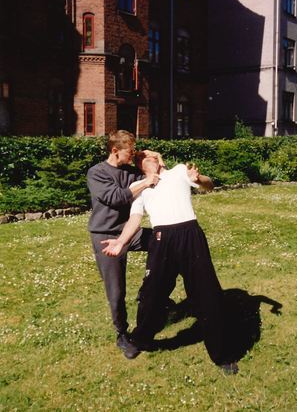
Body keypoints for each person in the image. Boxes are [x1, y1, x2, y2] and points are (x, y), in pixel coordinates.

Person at [101, 154, 238, 374]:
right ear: (140, 166)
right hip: (161, 240)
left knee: (206, 292)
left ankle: (222, 354)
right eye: (141, 156)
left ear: (160, 159)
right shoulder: (139, 185)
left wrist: (199, 178)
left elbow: (209, 186)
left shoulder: (179, 171)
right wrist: (120, 241)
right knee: (151, 294)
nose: (145, 156)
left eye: (150, 154)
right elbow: (135, 219)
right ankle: (140, 339)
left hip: (190, 235)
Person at [86, 130, 163, 359]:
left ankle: (147, 290)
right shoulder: (96, 173)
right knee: (116, 291)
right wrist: (145, 182)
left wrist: (154, 157)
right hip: (105, 236)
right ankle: (122, 334)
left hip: (131, 231)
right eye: (130, 152)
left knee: (164, 241)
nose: (132, 156)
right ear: (114, 150)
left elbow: (158, 176)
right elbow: (116, 197)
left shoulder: (131, 171)